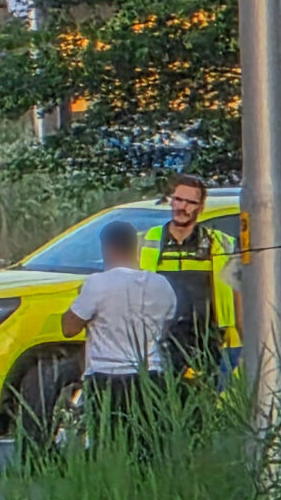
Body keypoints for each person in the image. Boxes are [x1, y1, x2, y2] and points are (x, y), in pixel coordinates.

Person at [62, 220, 178, 450]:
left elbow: (69, 328)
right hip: (151, 378)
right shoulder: (162, 285)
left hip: (107, 380)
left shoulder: (97, 283)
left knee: (109, 447)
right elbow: (165, 328)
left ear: (108, 248)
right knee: (147, 449)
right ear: (135, 246)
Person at [138, 173, 240, 384]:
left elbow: (238, 291)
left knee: (205, 395)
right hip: (160, 338)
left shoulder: (220, 242)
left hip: (206, 339)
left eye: (190, 202)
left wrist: (243, 337)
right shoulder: (147, 240)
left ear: (200, 207)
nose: (182, 207)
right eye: (178, 199)